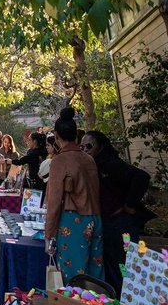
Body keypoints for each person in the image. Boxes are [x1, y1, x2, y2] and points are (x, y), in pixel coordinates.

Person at [81, 130, 155, 295]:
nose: (85, 150)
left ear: (100, 147)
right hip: (107, 223)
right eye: (82, 147)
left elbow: (142, 177)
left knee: (123, 267)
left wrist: (129, 204)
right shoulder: (94, 166)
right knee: (111, 266)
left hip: (121, 224)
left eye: (89, 146)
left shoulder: (111, 164)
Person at [45, 108, 104, 283]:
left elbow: (54, 202)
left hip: (73, 220)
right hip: (95, 218)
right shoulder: (88, 158)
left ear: (56, 136)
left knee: (73, 275)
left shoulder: (59, 160)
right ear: (76, 135)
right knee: (95, 274)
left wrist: (49, 235)